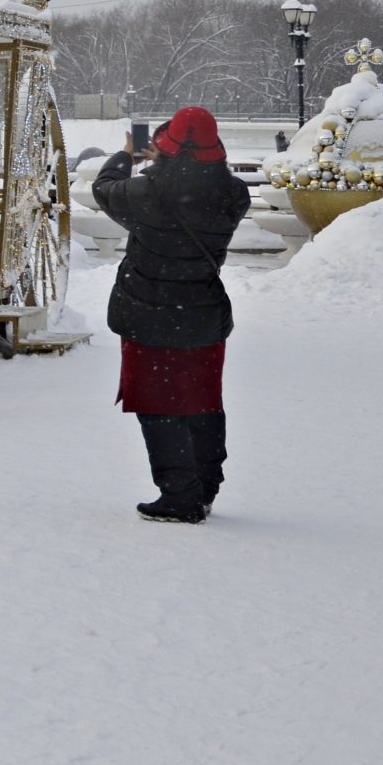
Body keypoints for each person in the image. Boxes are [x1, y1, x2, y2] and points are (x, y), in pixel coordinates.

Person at [94, 105, 250, 524]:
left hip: (148, 318)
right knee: (202, 401)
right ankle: (205, 485)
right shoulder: (233, 195)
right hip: (201, 316)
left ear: (165, 148)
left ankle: (180, 495)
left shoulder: (147, 195)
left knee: (159, 404)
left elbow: (104, 188)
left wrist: (127, 155)